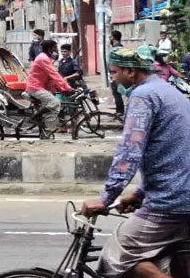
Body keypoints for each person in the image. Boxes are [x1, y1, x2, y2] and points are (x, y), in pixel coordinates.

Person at [81, 45, 190, 278]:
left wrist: (105, 198)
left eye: (114, 72)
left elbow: (129, 152)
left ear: (130, 72)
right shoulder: (165, 90)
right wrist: (139, 194)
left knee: (117, 256)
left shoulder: (143, 95)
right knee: (166, 261)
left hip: (172, 201)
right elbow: (171, 151)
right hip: (182, 193)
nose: (113, 78)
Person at [26, 39, 74, 138]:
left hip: (40, 87)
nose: (57, 49)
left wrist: (63, 89)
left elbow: (52, 78)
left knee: (50, 109)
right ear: (50, 48)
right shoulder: (43, 58)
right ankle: (34, 117)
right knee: (55, 102)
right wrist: (67, 87)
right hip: (35, 87)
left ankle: (45, 130)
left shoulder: (47, 58)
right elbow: (54, 74)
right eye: (55, 47)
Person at [110, 31, 125, 117]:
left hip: (116, 74)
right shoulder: (120, 48)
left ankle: (120, 111)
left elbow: (116, 63)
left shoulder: (116, 49)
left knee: (116, 92)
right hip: (116, 73)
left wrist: (114, 74)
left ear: (113, 37)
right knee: (116, 92)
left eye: (110, 37)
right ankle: (119, 110)